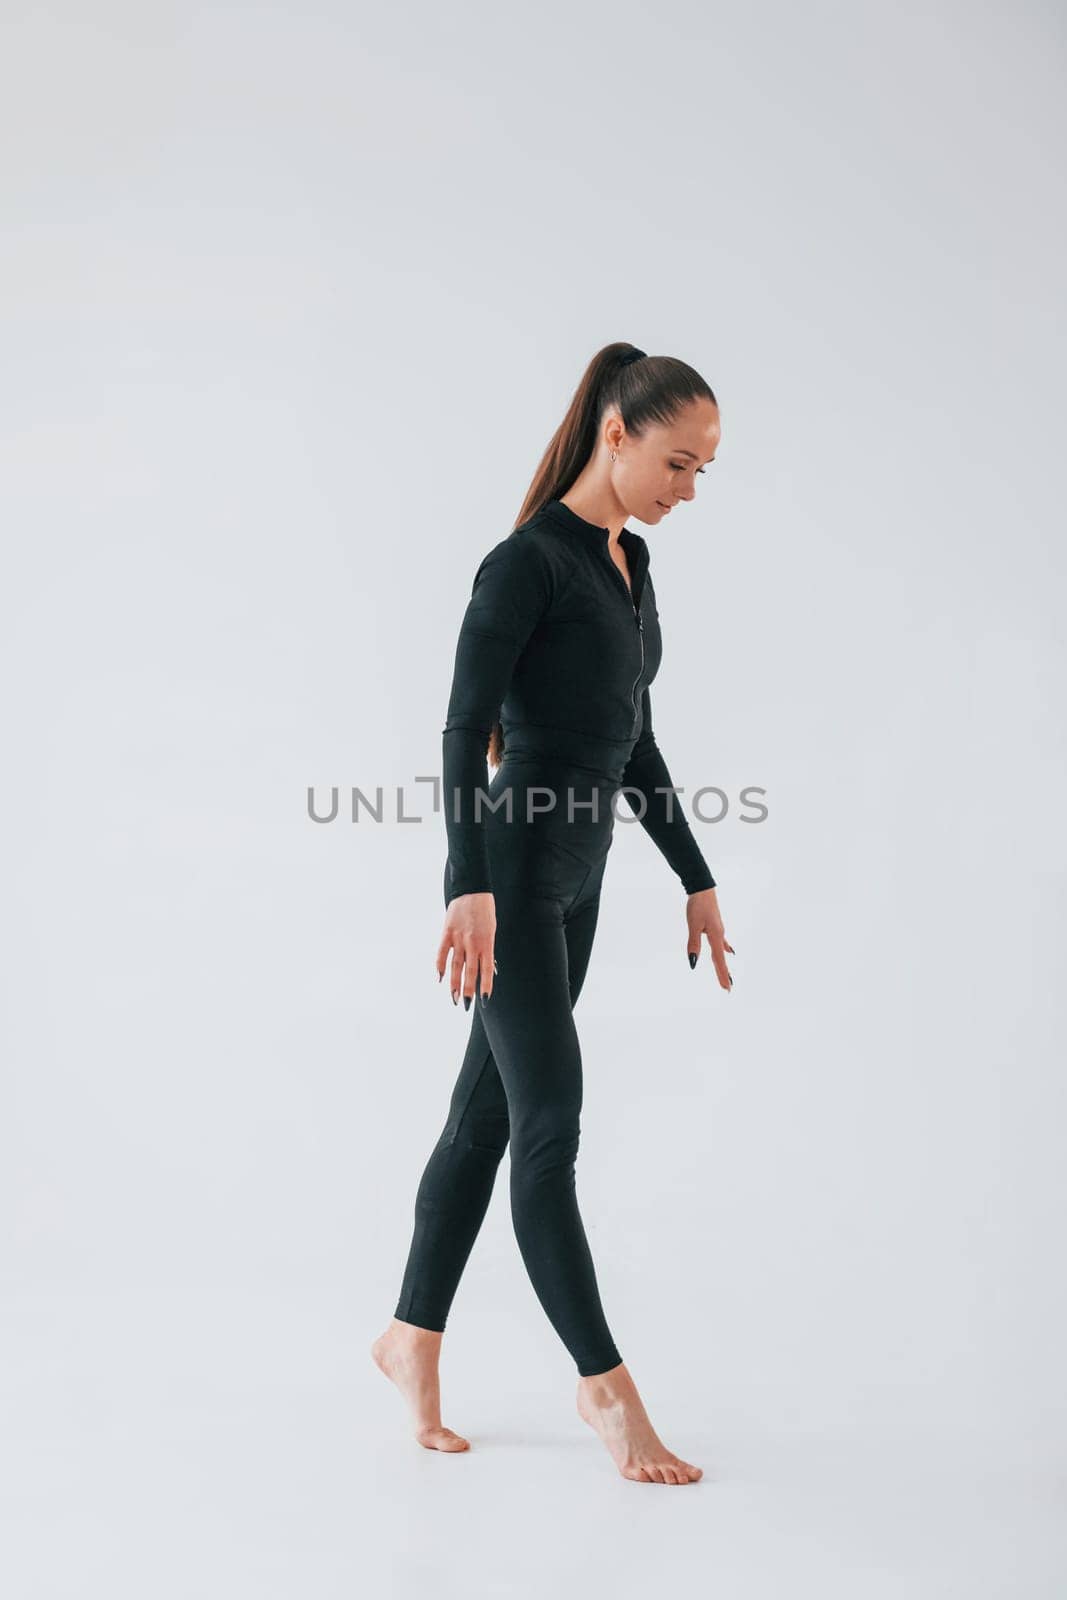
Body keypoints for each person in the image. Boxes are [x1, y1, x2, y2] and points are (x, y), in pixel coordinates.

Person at [372, 342, 734, 1486]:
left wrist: (694, 871)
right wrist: (463, 885)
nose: (687, 490)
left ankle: (407, 1341)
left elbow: (635, 740)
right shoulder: (524, 564)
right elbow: (456, 724)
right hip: (512, 880)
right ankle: (606, 1395)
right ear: (615, 435)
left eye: (702, 472)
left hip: (577, 883)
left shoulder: (629, 568)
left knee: (483, 1119)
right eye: (676, 462)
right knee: (547, 1131)